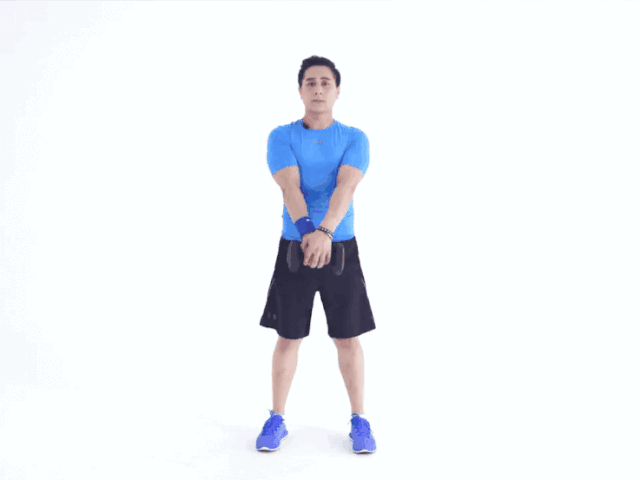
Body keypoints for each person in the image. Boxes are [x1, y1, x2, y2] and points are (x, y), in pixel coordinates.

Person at [256, 56, 377, 454]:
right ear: (300, 90)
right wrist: (310, 231)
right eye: (311, 82)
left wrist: (325, 232)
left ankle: (360, 420)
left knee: (348, 338)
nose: (319, 89)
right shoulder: (282, 136)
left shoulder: (354, 137)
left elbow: (346, 187)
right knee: (288, 337)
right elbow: (289, 186)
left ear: (337, 91)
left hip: (340, 248)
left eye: (326, 82)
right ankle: (276, 418)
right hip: (296, 246)